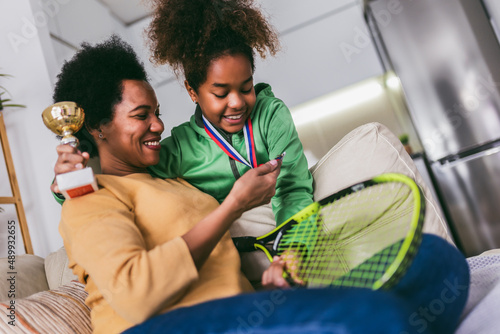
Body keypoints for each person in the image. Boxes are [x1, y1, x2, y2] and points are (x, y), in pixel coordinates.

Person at [53, 35, 469, 334]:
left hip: (244, 308)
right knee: (374, 316)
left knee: (437, 263)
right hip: (163, 326)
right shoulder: (90, 198)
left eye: (157, 112)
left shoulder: (170, 175)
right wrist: (231, 207)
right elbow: (136, 294)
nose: (159, 125)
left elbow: (287, 193)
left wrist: (272, 275)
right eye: (142, 115)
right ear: (98, 127)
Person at [52, 0, 313, 229]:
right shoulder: (178, 150)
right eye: (221, 93)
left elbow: (292, 189)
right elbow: (119, 183)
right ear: (192, 91)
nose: (237, 102)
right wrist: (65, 185)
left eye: (246, 88)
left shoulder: (270, 115)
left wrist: (293, 251)